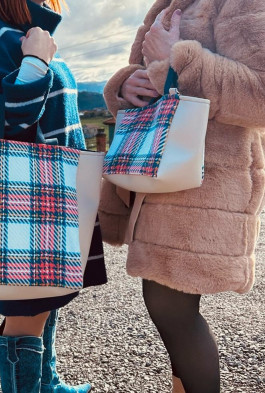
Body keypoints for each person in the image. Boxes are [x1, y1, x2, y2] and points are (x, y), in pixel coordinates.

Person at [100, 0, 265, 392]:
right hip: (162, 176)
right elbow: (154, 79)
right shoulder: (167, 4)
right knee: (165, 304)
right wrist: (127, 84)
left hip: (205, 183)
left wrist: (175, 62)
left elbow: (260, 93)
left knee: (172, 308)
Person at [0, 1, 107, 392]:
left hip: (47, 202)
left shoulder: (18, 34)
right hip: (26, 207)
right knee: (28, 309)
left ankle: (48, 384)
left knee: (47, 295)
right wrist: (38, 63)